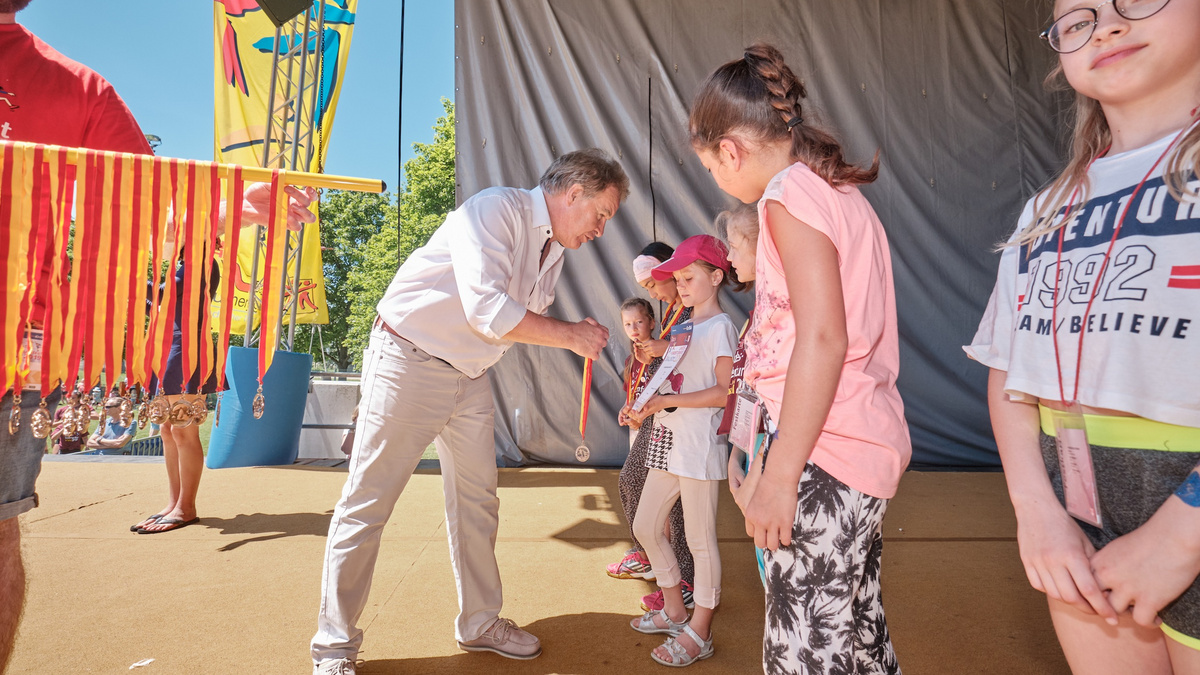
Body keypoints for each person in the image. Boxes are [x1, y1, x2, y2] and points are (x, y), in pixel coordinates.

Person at [0, 3, 316, 666]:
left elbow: (154, 204)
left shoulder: (80, 90)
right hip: (145, 353)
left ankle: (183, 504)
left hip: (45, 353)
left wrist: (231, 207)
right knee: (171, 428)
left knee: (177, 429)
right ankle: (178, 501)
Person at [311, 149, 628, 674]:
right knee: (367, 504)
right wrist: (572, 336)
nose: (601, 228)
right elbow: (490, 313)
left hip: (471, 376)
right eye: (602, 213)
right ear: (574, 194)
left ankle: (479, 623)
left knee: (478, 503)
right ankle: (334, 648)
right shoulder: (494, 209)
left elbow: (511, 322)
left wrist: (565, 335)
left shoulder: (554, 251)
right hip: (408, 358)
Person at [965, 0, 1200, 671]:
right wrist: (1034, 510)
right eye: (1079, 18)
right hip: (1077, 511)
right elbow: (1009, 371)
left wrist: (1184, 534)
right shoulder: (1045, 208)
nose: (1110, 25)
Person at [690, 43, 911, 674]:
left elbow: (822, 339)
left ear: (728, 150)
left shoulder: (788, 197)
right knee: (859, 641)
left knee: (803, 656)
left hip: (826, 456)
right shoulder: (834, 193)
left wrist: (781, 475)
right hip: (853, 448)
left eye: (710, 166)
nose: (717, 177)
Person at [623, 234, 737, 667]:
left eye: (689, 277)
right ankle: (675, 610)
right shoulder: (686, 325)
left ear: (715, 276)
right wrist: (642, 405)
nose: (681, 285)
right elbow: (675, 379)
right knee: (646, 524)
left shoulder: (721, 327)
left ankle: (701, 629)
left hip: (697, 447)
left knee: (700, 541)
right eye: (678, 278)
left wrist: (664, 401)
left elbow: (723, 393)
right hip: (668, 443)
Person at [611, 242, 697, 614]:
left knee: (675, 503)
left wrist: (661, 350)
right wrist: (639, 405)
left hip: (681, 419)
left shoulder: (694, 308)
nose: (653, 293)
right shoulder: (676, 311)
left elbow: (695, 360)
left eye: (653, 285)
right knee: (636, 483)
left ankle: (686, 579)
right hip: (662, 414)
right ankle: (655, 558)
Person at [713, 204, 767, 586]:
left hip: (776, 462)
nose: (729, 256)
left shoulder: (786, 316)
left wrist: (759, 467)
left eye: (734, 245)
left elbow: (785, 405)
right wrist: (737, 455)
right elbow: (747, 393)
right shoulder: (756, 316)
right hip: (756, 456)